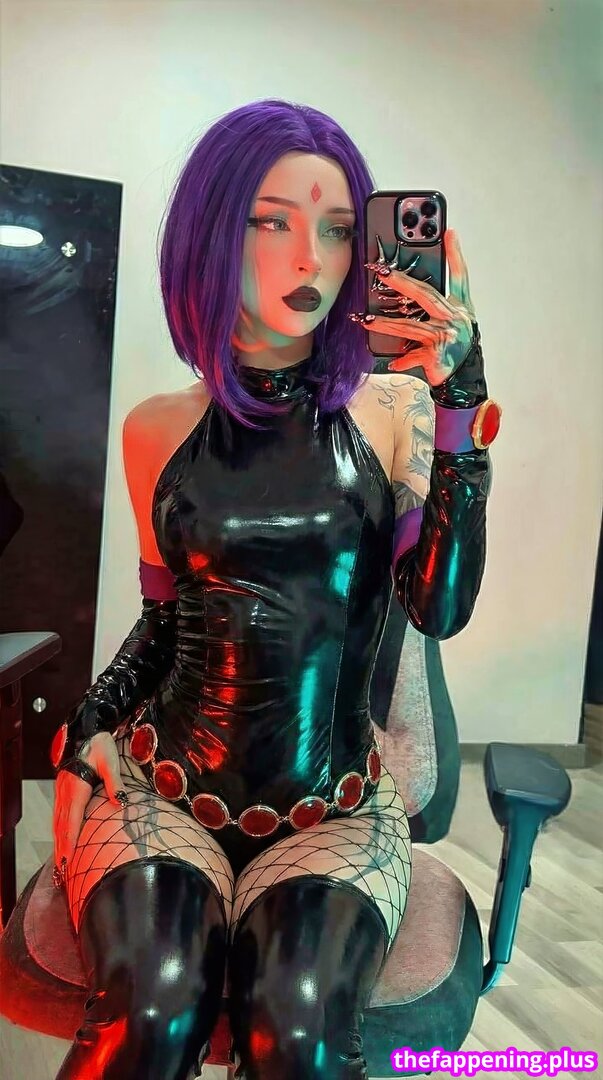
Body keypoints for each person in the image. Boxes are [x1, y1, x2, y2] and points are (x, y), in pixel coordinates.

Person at [49, 98, 500, 1079]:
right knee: (147, 1013)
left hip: (336, 812)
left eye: (337, 229)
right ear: (213, 232)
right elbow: (164, 620)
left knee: (297, 1034)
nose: (311, 258)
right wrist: (89, 725)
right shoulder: (155, 427)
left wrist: (459, 402)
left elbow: (439, 610)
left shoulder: (395, 411)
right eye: (271, 220)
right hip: (164, 793)